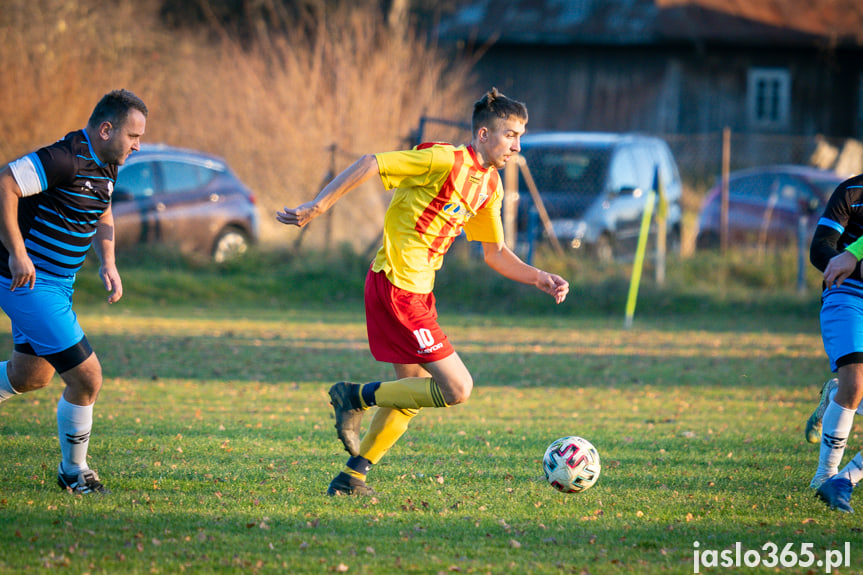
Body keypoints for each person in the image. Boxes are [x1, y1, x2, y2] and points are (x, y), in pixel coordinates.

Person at [277, 88, 569, 496]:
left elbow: (496, 253)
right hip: (397, 287)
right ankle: (353, 396)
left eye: (520, 136)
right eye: (509, 135)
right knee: (457, 388)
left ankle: (351, 477)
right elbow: (370, 163)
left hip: (416, 292)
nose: (516, 146)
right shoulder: (444, 159)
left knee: (411, 391)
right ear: (483, 134)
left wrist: (540, 276)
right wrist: (318, 206)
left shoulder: (490, 186)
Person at [0, 89, 148, 494]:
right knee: (87, 378)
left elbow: (102, 207)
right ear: (106, 129)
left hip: (57, 287)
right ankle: (74, 471)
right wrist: (16, 253)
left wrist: (108, 261)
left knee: (28, 375)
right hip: (29, 283)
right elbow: (5, 183)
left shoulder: (107, 165)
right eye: (134, 136)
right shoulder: (65, 158)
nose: (138, 145)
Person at [805, 172, 863, 512]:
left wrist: (855, 253)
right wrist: (844, 259)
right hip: (848, 296)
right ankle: (826, 477)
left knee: (849, 391)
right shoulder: (853, 192)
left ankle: (834, 396)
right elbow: (820, 248)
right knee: (854, 385)